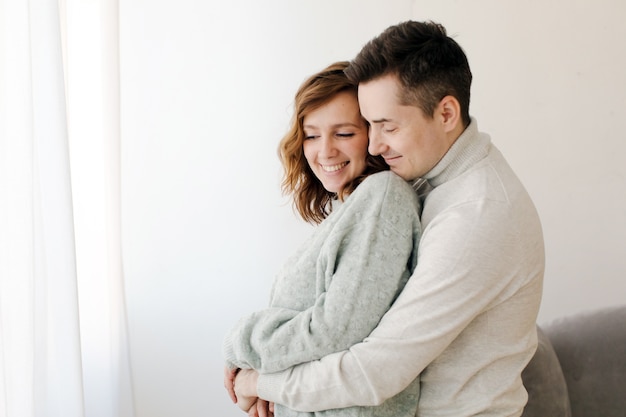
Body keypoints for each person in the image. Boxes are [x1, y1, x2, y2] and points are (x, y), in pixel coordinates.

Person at [228, 20, 545, 417]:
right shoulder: (429, 181)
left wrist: (260, 382)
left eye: (387, 126)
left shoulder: (477, 214)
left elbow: (376, 370)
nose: (374, 144)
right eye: (369, 125)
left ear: (446, 112)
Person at [223, 61, 422, 417]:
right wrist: (264, 378)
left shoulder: (383, 196)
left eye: (344, 133)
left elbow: (336, 330)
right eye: (312, 135)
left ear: (373, 135)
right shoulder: (350, 209)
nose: (325, 151)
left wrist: (242, 345)